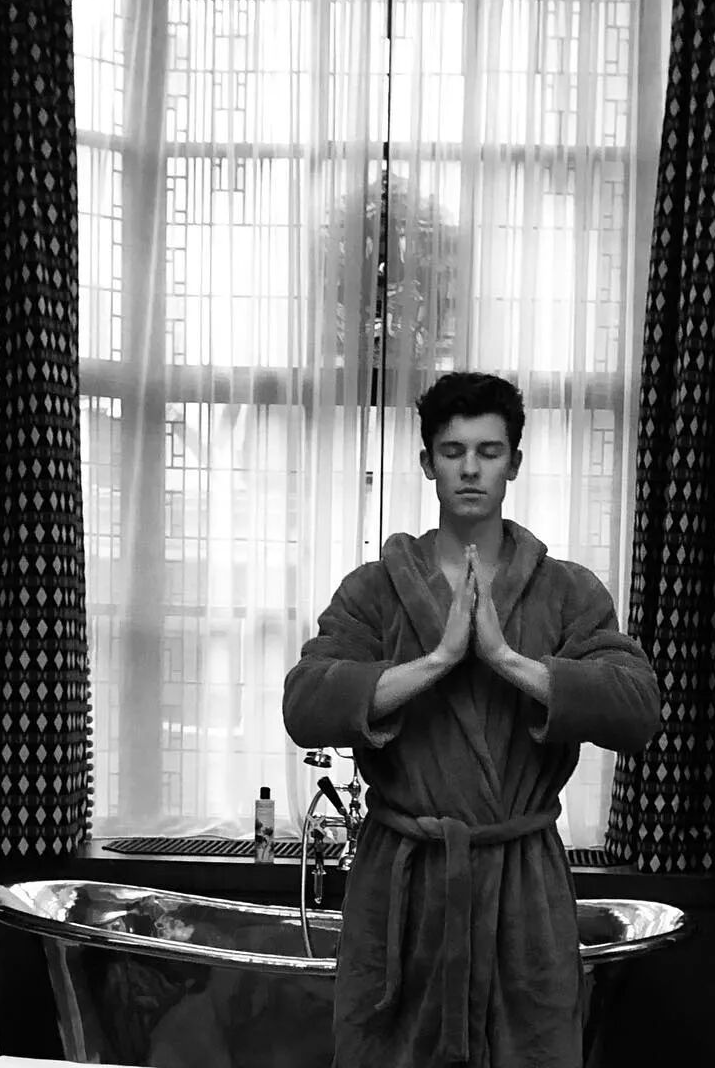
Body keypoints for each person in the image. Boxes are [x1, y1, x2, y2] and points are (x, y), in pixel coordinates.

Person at [283, 372, 661, 1068]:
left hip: (521, 888)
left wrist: (505, 658)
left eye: (489, 451)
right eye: (452, 451)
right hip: (403, 891)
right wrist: (439, 659)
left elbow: (637, 710)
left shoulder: (567, 591)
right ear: (427, 462)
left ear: (514, 462)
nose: (469, 468)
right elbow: (305, 705)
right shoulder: (375, 590)